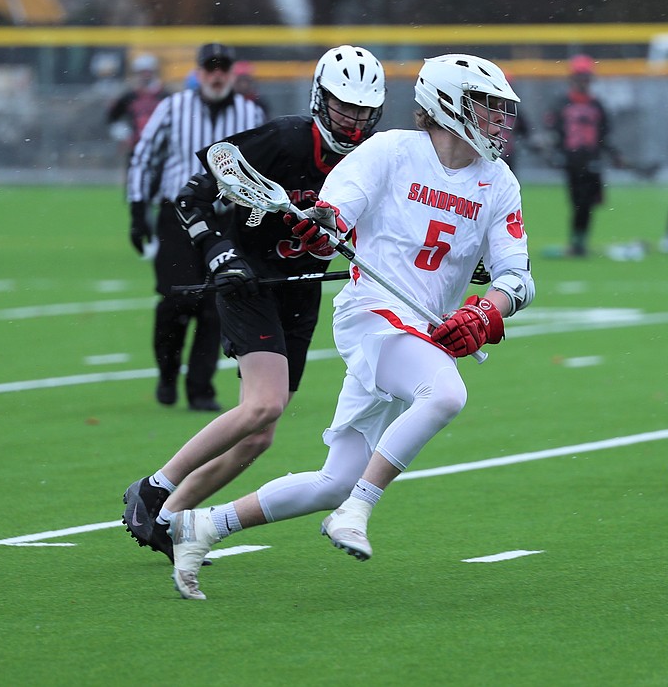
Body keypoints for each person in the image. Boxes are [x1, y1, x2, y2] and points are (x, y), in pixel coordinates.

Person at [160, 53, 535, 600]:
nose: (500, 121)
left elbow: (517, 277)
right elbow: (340, 208)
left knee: (332, 481)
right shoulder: (389, 150)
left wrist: (487, 312)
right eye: (488, 107)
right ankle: (360, 509)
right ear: (450, 104)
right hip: (371, 317)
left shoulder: (499, 182)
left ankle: (203, 526)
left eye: (503, 110)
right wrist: (324, 225)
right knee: (444, 394)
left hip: (422, 332)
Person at [121, 45, 387, 563]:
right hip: (249, 283)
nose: (353, 122)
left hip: (300, 288)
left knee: (260, 434)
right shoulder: (285, 138)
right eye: (343, 107)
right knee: (262, 404)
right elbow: (191, 196)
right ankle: (153, 490)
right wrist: (220, 253)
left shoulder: (375, 160)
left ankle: (171, 518)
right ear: (319, 99)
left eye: (363, 111)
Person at [126, 42, 267, 412]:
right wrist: (138, 210)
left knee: (215, 304)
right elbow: (143, 157)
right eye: (210, 68)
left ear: (233, 72)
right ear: (199, 71)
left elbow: (262, 169)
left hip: (226, 218)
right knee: (175, 301)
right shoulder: (172, 108)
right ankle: (168, 372)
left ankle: (200, 387)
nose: (217, 75)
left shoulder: (251, 113)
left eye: (223, 68)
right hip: (177, 216)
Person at [545, 54, 613, 257]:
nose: (583, 81)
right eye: (579, 76)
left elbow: (605, 134)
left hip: (591, 161)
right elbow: (554, 131)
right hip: (572, 161)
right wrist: (555, 152)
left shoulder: (597, 105)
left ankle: (580, 241)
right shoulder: (562, 103)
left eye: (586, 77)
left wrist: (608, 155)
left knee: (589, 202)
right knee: (579, 201)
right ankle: (577, 242)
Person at [105, 53, 168, 166]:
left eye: (147, 72)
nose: (145, 76)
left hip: (162, 149)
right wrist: (125, 135)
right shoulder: (128, 97)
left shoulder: (165, 96)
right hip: (136, 147)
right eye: (141, 73)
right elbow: (112, 118)